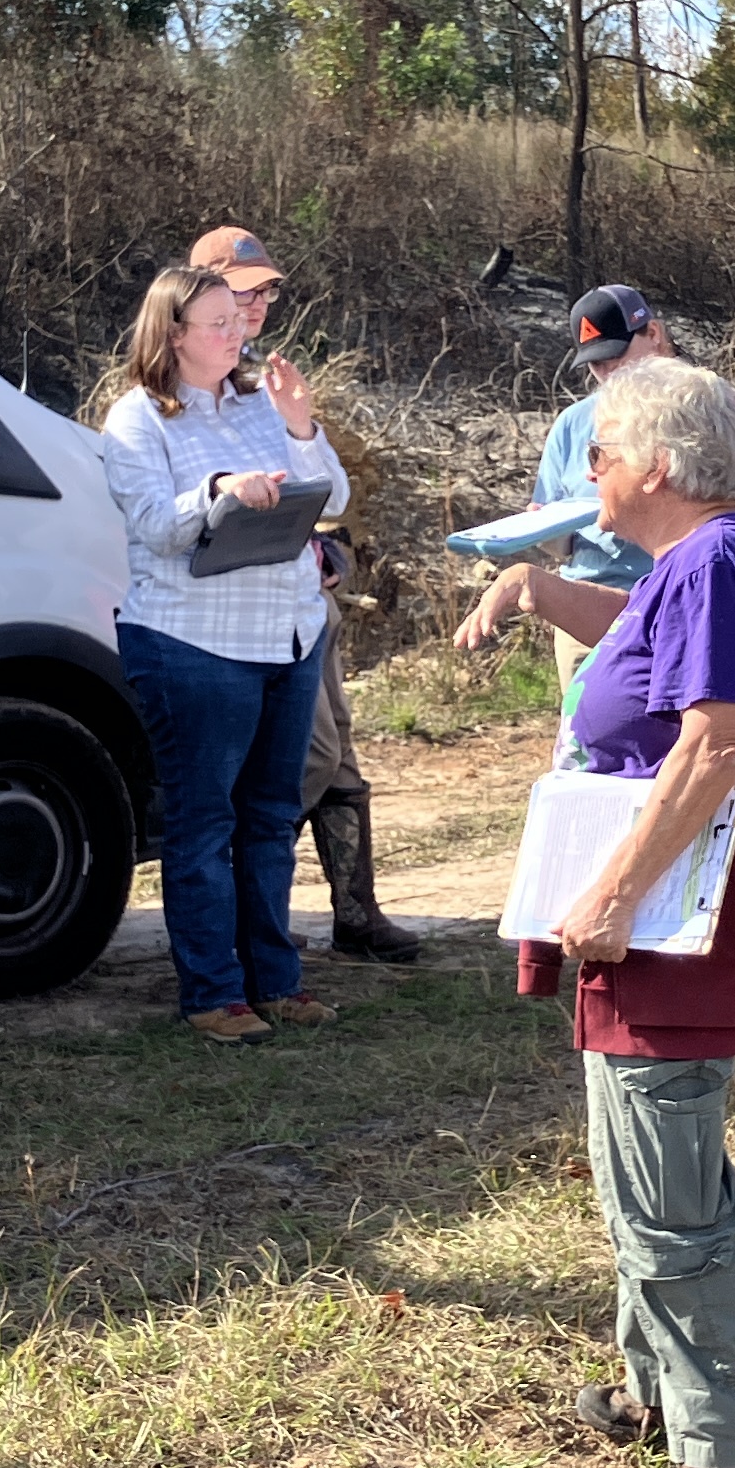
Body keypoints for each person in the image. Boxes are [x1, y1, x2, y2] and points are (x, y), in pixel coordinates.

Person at [462, 355, 735, 1468]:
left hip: (678, 913)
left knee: (668, 1190)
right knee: (643, 1167)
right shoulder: (704, 559)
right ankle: (663, 1384)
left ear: (659, 466)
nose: (589, 474)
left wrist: (615, 890)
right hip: (667, 908)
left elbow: (714, 741)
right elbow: (644, 642)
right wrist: (538, 588)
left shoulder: (715, 562)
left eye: (601, 454)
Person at [100, 263, 352, 1046]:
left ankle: (276, 982)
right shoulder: (136, 418)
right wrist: (221, 490)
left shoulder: (260, 403)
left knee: (271, 819)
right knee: (205, 823)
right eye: (219, 321)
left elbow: (334, 500)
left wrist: (302, 427)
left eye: (238, 320)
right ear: (173, 333)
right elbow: (155, 527)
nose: (237, 332)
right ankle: (214, 994)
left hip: (288, 635)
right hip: (193, 642)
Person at [191, 225, 419, 965]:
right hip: (243, 612)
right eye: (241, 292)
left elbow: (329, 497)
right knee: (305, 759)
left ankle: (355, 915)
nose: (257, 303)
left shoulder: (266, 382)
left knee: (339, 755)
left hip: (305, 601)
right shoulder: (190, 393)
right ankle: (249, 916)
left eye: (265, 290)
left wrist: (329, 547)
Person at [504, 285, 672, 687]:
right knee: (582, 728)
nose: (609, 373)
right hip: (583, 608)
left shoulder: (701, 413)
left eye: (617, 357)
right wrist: (544, 529)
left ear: (653, 334)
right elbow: (561, 542)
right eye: (598, 363)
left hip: (673, 604)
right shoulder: (572, 424)